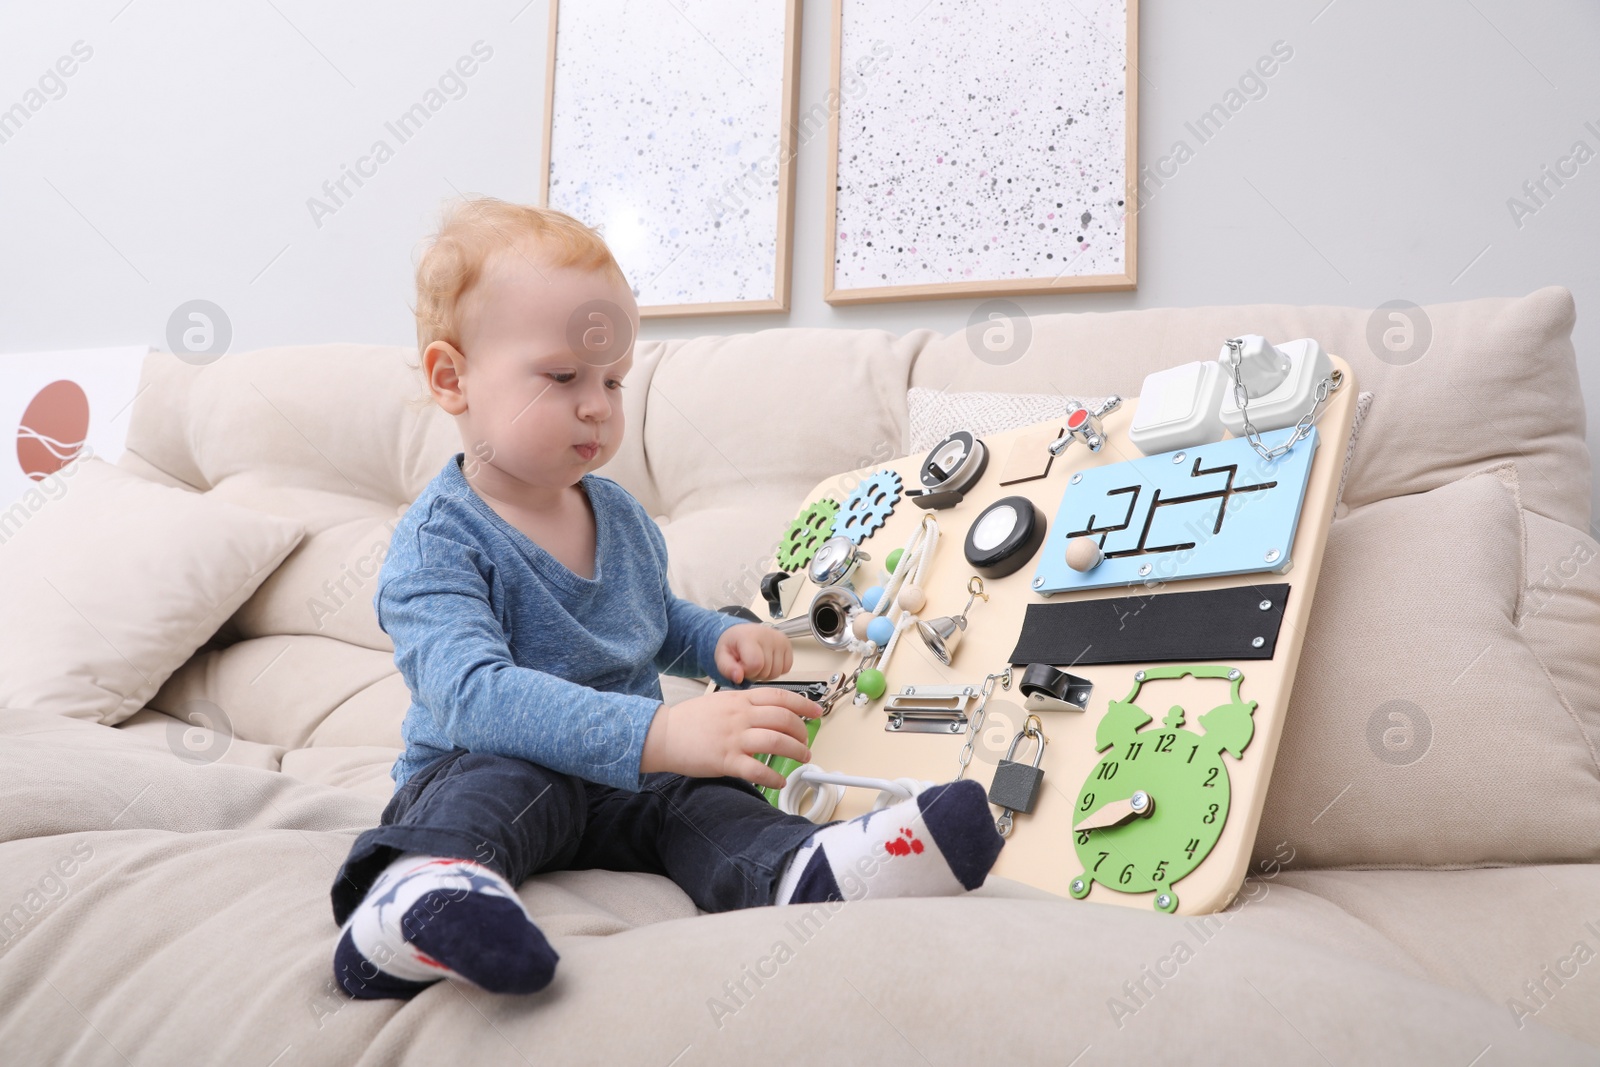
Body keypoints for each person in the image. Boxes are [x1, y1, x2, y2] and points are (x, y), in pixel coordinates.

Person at [329, 198, 1004, 1001]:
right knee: (503, 780)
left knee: (700, 797)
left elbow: (648, 620)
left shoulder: (613, 511)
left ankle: (799, 867)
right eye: (562, 376)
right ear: (453, 378)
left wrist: (715, 640)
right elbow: (474, 698)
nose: (597, 405)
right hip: (485, 769)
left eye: (613, 380)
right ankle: (418, 898)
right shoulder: (440, 539)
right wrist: (660, 727)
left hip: (622, 784)